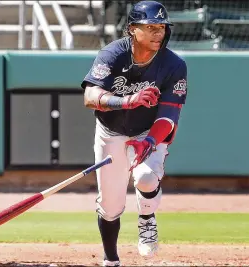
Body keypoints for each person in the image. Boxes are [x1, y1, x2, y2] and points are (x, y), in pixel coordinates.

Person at [81, 1, 188, 266]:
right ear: (132, 29)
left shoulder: (174, 64)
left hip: (147, 131)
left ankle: (147, 218)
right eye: (150, 27)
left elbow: (169, 114)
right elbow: (90, 96)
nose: (158, 33)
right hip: (111, 130)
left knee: (146, 178)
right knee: (109, 205)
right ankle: (111, 260)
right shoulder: (112, 54)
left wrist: (150, 141)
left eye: (161, 27)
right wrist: (126, 100)